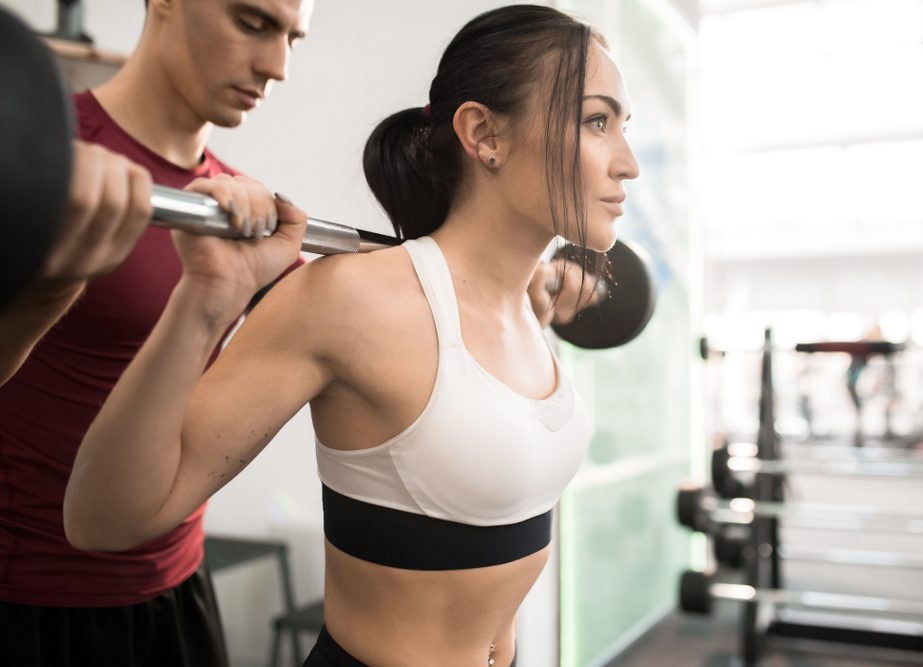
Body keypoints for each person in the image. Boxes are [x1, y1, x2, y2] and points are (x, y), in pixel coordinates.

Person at [65, 4, 639, 666]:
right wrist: (205, 301)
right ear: (485, 134)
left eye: (625, 126)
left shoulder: (523, 311)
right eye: (597, 121)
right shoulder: (349, 301)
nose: (627, 163)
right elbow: (104, 518)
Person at [0, 1, 312, 665]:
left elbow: (356, 325)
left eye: (292, 37)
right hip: (31, 602)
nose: (278, 65)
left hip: (178, 594)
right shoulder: (45, 159)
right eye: (252, 22)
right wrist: (55, 284)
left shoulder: (233, 206)